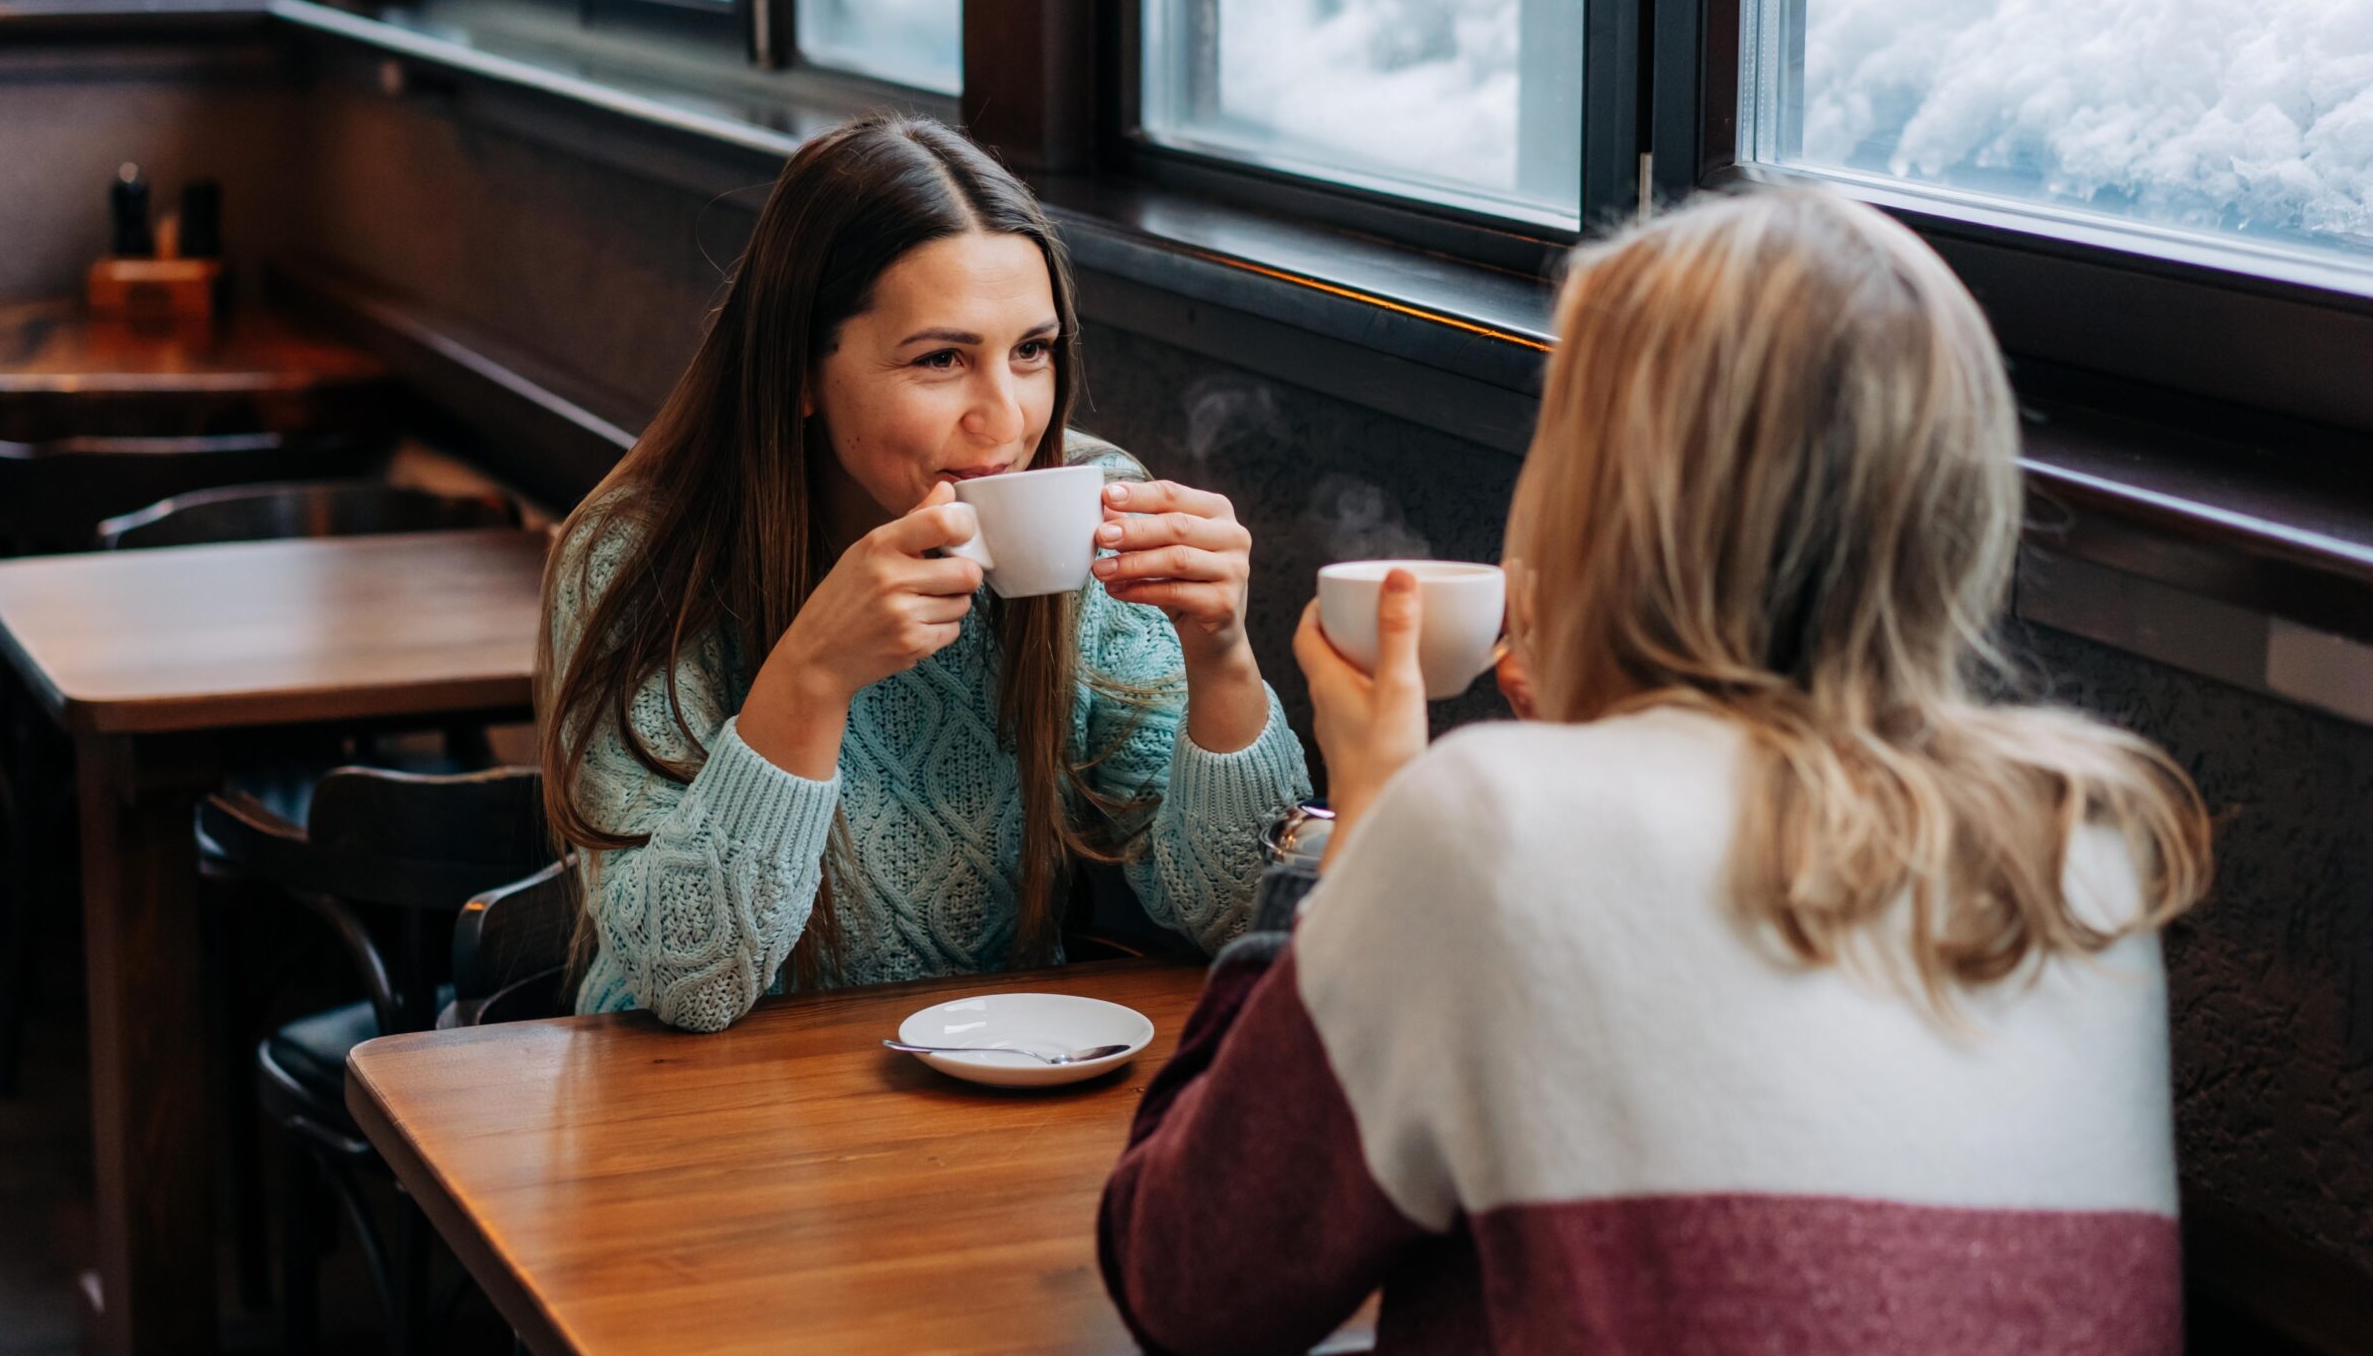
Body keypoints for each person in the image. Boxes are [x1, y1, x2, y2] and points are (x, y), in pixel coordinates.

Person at [1099, 189, 2212, 1353]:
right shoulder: (2084, 843)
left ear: (1603, 500)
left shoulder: (1485, 824)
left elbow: (1186, 1282)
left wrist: (1364, 831)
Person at [537, 113, 1310, 1033]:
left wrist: (1221, 654)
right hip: (686, 1091)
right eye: (942, 358)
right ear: (799, 371)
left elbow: (1243, 916)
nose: (1006, 420)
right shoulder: (639, 558)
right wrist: (812, 675)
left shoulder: (1093, 506)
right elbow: (688, 981)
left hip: (998, 1073)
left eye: (1031, 350)